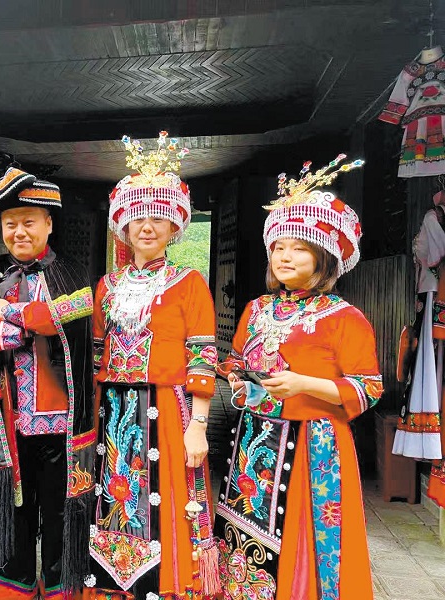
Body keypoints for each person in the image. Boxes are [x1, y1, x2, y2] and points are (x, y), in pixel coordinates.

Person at [216, 156, 383, 600]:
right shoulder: (256, 309)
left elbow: (368, 388)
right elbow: (233, 360)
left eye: (300, 247)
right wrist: (237, 382)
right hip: (254, 440)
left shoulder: (344, 317)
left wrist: (303, 385)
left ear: (325, 258)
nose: (285, 256)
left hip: (315, 444)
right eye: (279, 247)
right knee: (247, 537)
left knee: (303, 541)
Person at [82, 132, 220, 599]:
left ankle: (169, 584)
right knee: (116, 496)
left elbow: (202, 356)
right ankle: (116, 585)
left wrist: (198, 425)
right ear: (122, 225)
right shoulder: (108, 284)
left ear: (174, 226)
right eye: (138, 216)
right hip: (115, 410)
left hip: (164, 406)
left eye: (159, 217)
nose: (147, 225)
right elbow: (97, 355)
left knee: (165, 502)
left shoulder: (188, 283)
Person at [0, 167, 95, 599]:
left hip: (59, 422)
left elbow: (64, 318)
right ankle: (9, 589)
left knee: (58, 512)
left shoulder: (72, 275)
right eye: (10, 223)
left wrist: (12, 315)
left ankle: (59, 588)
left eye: (29, 222)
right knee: (14, 513)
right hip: (7, 421)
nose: (19, 232)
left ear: (49, 224)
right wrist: (17, 327)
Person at [393, 191, 445, 507]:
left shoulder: (432, 217)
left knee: (429, 365)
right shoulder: (434, 215)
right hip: (432, 294)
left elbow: (435, 257)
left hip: (433, 294)